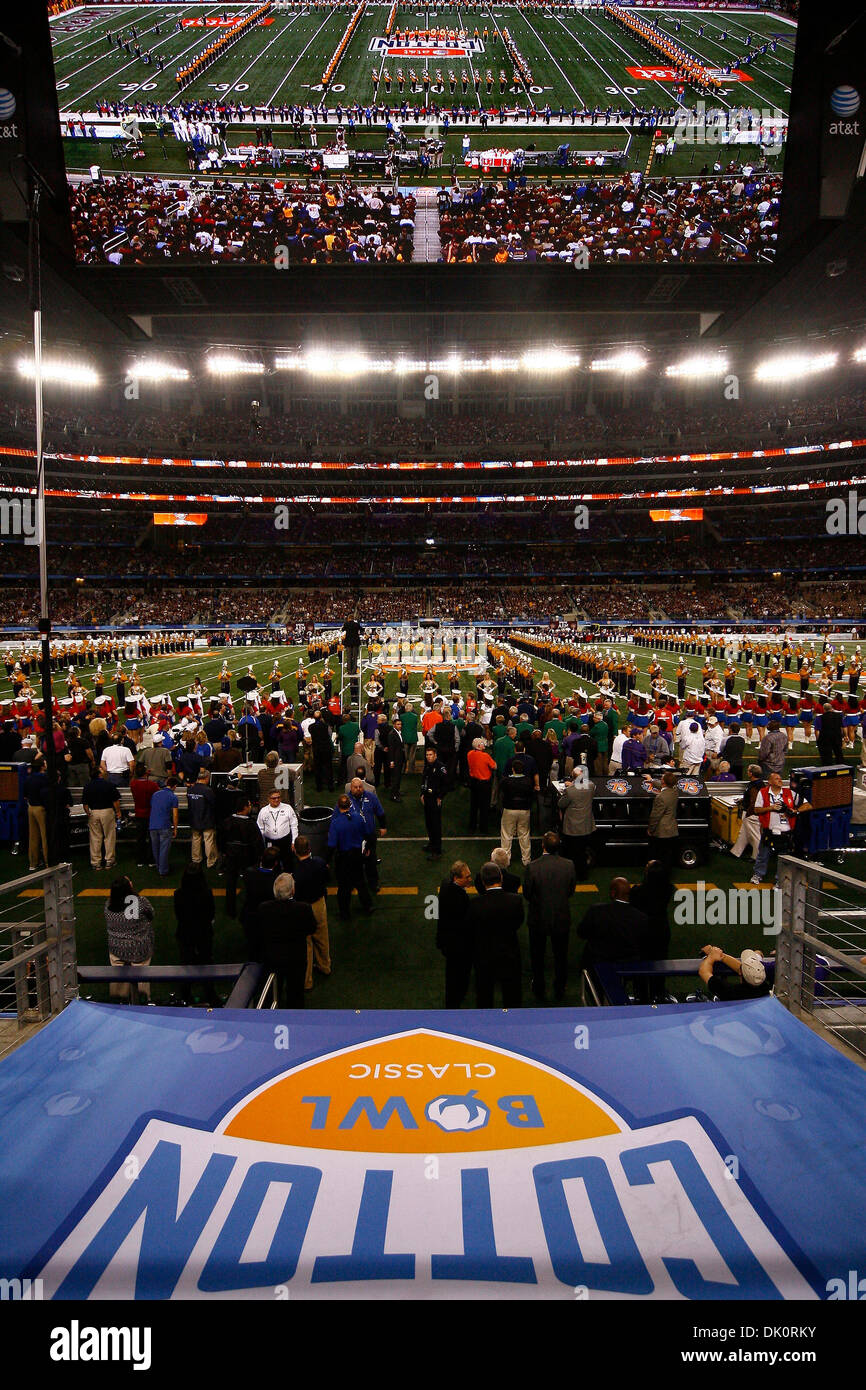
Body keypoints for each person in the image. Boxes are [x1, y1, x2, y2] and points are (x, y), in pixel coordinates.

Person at [523, 831, 576, 1002]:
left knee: (537, 956)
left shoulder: (533, 867)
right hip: (561, 917)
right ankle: (560, 988)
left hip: (538, 917)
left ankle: (539, 988)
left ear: (543, 846)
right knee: (561, 956)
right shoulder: (569, 865)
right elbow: (570, 890)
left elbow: (527, 893)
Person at [255, 873, 316, 1008]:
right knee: (296, 994)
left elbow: (259, 929)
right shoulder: (303, 908)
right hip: (296, 959)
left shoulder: (263, 908)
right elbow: (312, 928)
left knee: (271, 992)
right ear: (292, 891)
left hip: (272, 958)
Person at [470, 861, 524, 1007]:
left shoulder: (475, 904)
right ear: (501, 877)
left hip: (484, 956)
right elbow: (518, 923)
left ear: (483, 881)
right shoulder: (515, 901)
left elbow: (472, 929)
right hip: (509, 954)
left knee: (484, 998)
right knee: (512, 998)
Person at [578, 878, 650, 974]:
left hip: (598, 964)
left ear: (612, 893)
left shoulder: (596, 911)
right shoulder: (641, 917)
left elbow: (582, 933)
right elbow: (643, 944)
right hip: (628, 967)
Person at [751, 772, 809, 885]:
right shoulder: (763, 792)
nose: (780, 780)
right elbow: (756, 810)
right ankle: (758, 874)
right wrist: (771, 808)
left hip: (785, 833)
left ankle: (779, 880)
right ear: (770, 782)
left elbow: (808, 805)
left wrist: (796, 811)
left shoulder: (790, 793)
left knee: (783, 858)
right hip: (769, 831)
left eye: (780, 778)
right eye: (776, 778)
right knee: (763, 855)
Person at [173, 863, 218, 1005]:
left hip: (185, 932)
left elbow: (178, 915)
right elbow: (211, 913)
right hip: (204, 933)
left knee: (186, 963)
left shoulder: (178, 894)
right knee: (206, 962)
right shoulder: (207, 893)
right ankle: (210, 994)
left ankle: (185, 995)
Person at [105, 875, 154, 1003]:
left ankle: (119, 1000)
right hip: (138, 949)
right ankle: (143, 998)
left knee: (118, 977)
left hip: (117, 949)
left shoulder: (108, 904)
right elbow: (151, 915)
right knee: (141, 974)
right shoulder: (141, 902)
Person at [629, 860, 673, 1002]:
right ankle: (658, 993)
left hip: (642, 931)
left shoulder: (637, 891)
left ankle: (641, 995)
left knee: (641, 963)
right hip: (661, 930)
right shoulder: (668, 889)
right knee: (659, 963)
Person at [292, 834, 331, 991]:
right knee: (322, 936)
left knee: (306, 943)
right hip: (319, 904)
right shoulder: (320, 863)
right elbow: (327, 878)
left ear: (295, 850)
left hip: (303, 908)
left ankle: (307, 980)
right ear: (309, 849)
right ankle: (325, 966)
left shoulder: (296, 872)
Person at [327, 794, 373, 919]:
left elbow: (332, 845)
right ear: (350, 805)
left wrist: (327, 861)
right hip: (357, 856)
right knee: (360, 882)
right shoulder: (358, 817)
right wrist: (367, 848)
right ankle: (368, 906)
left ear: (338, 806)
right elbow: (367, 834)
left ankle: (344, 913)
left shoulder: (335, 823)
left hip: (343, 858)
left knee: (343, 887)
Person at [436, 860, 475, 1007]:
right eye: (467, 877)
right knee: (457, 975)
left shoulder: (446, 884)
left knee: (452, 974)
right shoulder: (459, 898)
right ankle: (454, 1002)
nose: (470, 879)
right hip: (457, 945)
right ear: (456, 878)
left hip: (447, 941)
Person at [219, 795, 263, 917]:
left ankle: (230, 910)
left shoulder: (227, 821)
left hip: (231, 856)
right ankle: (250, 909)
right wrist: (259, 856)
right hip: (247, 858)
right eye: (249, 805)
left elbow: (221, 840)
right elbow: (257, 843)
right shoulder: (250, 824)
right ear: (245, 807)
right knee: (250, 883)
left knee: (230, 883)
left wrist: (224, 852)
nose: (250, 807)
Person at [348, 776, 387, 893]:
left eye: (360, 787)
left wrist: (383, 826)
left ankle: (373, 883)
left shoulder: (371, 797)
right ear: (351, 788)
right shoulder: (346, 800)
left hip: (369, 835)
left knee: (371, 861)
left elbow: (380, 812)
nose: (358, 789)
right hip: (354, 837)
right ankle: (353, 882)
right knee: (354, 862)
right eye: (355, 787)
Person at [557, 767, 595, 881]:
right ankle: (583, 875)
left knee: (572, 853)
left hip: (572, 827)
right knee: (582, 851)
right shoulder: (591, 786)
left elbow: (561, 804)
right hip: (586, 826)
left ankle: (572, 874)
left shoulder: (570, 791)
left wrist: (571, 785)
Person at [241, 847, 280, 953]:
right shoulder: (277, 880)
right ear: (276, 863)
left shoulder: (249, 873)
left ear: (261, 859)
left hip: (251, 917)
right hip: (269, 920)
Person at [83, 766, 122, 871]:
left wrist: (88, 813)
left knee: (95, 838)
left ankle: (96, 863)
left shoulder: (87, 786)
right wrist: (118, 812)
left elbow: (85, 804)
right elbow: (115, 800)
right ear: (99, 774)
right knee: (109, 836)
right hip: (107, 811)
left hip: (94, 812)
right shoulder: (109, 784)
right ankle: (109, 860)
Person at [698, 945, 771, 1001]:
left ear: (741, 973)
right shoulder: (765, 988)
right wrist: (721, 955)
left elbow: (703, 972)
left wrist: (711, 957)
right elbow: (740, 968)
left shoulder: (730, 992)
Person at [499, 755, 534, 867]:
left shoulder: (506, 781)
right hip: (524, 810)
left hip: (509, 809)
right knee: (524, 834)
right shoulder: (528, 781)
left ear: (513, 769)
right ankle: (526, 859)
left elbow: (502, 790)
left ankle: (506, 860)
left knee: (506, 834)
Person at [256, 788, 298, 870]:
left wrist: (294, 841)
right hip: (270, 842)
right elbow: (260, 828)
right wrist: (262, 843)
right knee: (272, 862)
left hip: (285, 841)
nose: (276, 800)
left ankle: (288, 874)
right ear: (269, 799)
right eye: (274, 798)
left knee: (287, 862)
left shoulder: (288, 808)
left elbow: (294, 825)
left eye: (278, 797)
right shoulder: (263, 811)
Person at [730, 764, 764, 862]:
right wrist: (742, 800)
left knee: (755, 836)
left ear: (751, 773)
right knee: (743, 834)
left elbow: (754, 801)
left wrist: (749, 813)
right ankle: (736, 852)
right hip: (750, 812)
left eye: (748, 771)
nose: (747, 772)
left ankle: (757, 857)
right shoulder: (757, 783)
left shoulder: (755, 785)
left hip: (751, 814)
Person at [187, 767, 219, 868]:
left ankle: (196, 860)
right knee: (209, 840)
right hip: (206, 819)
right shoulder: (207, 790)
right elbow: (214, 804)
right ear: (206, 778)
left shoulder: (190, 789)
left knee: (195, 839)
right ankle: (211, 861)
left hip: (194, 819)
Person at [647, 770, 680, 868]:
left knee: (659, 856)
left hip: (661, 832)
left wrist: (650, 829)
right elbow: (664, 787)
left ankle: (659, 873)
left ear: (663, 782)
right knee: (667, 856)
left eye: (661, 778)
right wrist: (651, 780)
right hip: (672, 830)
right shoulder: (675, 792)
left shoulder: (660, 797)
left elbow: (655, 816)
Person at [23, 754, 51, 871]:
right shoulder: (44, 778)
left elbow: (25, 796)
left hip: (31, 808)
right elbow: (47, 794)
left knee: (33, 836)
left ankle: (33, 863)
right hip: (41, 808)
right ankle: (48, 862)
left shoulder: (28, 779)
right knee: (45, 836)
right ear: (41, 766)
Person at [148, 775, 179, 877]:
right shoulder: (173, 797)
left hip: (153, 825)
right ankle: (163, 870)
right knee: (164, 849)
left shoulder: (155, 794)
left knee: (155, 848)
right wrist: (175, 828)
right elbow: (175, 815)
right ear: (174, 786)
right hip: (165, 825)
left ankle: (159, 866)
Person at [421, 746, 448, 860]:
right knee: (429, 823)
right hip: (427, 798)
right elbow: (424, 781)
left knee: (435, 825)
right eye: (427, 755)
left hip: (435, 799)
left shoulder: (440, 767)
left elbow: (446, 784)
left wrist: (440, 797)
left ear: (435, 755)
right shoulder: (427, 766)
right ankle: (431, 844)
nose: (428, 757)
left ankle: (437, 850)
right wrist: (422, 794)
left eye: (430, 755)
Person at [129, 761, 158, 867]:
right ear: (146, 773)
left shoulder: (133, 784)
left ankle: (140, 860)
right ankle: (151, 859)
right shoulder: (152, 785)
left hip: (139, 814)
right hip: (151, 813)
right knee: (152, 838)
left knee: (140, 838)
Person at [467, 736, 496, 832]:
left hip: (474, 782)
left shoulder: (470, 754)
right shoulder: (485, 756)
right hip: (484, 784)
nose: (484, 745)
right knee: (484, 806)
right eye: (482, 744)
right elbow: (494, 766)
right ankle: (483, 827)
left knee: (474, 805)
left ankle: (472, 826)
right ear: (479, 746)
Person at [817, 698, 844, 765]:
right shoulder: (839, 716)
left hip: (825, 737)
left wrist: (818, 739)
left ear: (824, 709)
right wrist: (843, 736)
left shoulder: (820, 717)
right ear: (831, 708)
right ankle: (840, 765)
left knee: (826, 754)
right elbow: (842, 727)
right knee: (838, 752)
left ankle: (828, 765)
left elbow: (818, 730)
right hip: (837, 736)